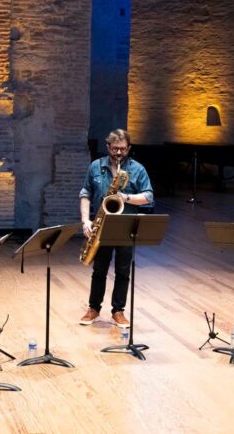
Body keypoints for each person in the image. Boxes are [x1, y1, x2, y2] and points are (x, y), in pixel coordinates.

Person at [79, 129, 154, 328]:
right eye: (114, 149)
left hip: (125, 226)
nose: (119, 153)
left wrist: (125, 197)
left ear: (128, 148)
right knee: (99, 270)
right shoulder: (96, 166)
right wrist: (86, 220)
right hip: (102, 225)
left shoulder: (137, 169)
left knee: (123, 271)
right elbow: (85, 193)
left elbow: (148, 196)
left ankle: (118, 311)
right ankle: (94, 308)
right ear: (108, 147)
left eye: (122, 149)